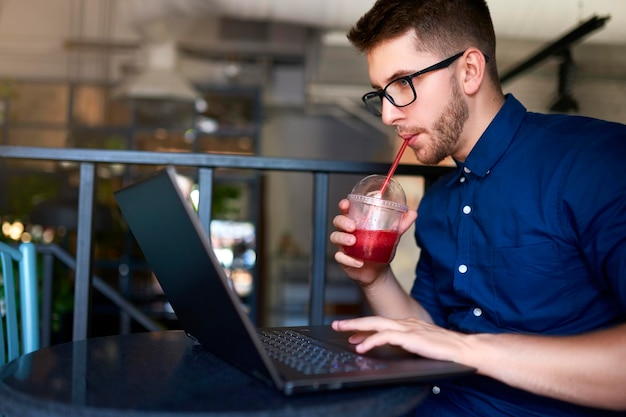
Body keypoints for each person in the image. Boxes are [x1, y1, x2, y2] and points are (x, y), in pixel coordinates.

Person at [328, 0, 626, 415]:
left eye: (402, 85)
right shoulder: (440, 200)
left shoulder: (596, 162)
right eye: (380, 93)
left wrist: (470, 349)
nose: (387, 114)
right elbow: (426, 334)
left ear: (469, 70)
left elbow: (454, 346)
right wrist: (375, 278)